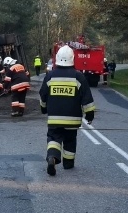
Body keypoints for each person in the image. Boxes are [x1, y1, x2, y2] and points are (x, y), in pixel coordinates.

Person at [39, 45, 96, 176]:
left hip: (54, 119)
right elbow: (87, 98)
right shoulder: (78, 77)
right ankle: (68, 164)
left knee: (53, 138)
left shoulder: (50, 76)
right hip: (72, 119)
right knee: (70, 140)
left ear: (57, 58)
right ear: (72, 59)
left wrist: (43, 108)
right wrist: (90, 114)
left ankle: (52, 157)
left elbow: (43, 95)